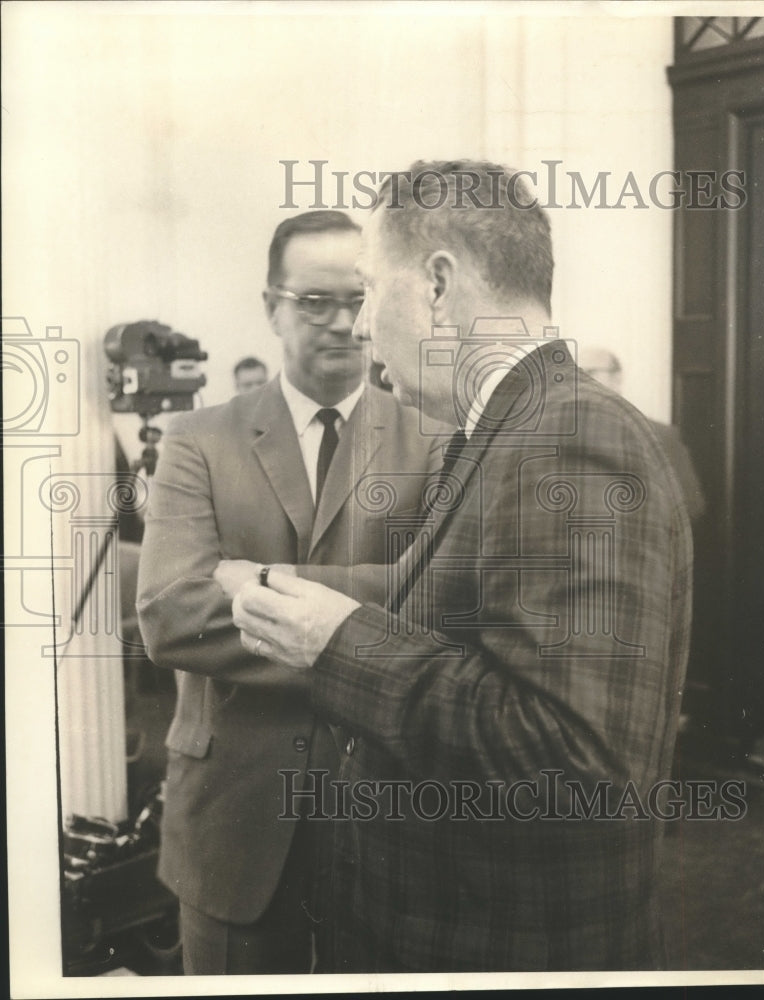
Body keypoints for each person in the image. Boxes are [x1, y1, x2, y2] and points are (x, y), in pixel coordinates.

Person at [230, 161, 694, 972]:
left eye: (372, 291)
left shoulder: (569, 435)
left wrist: (336, 644)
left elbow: (575, 766)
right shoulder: (506, 430)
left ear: (438, 286)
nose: (362, 326)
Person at [136, 209, 446, 974]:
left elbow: (442, 609)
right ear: (270, 304)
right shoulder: (197, 438)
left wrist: (255, 579)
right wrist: (374, 601)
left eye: (358, 297)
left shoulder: (434, 437)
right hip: (232, 818)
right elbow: (171, 615)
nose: (343, 324)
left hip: (384, 810)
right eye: (314, 302)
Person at [577, 345, 705, 522]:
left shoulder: (660, 436)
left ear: (617, 378)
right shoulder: (559, 439)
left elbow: (691, 505)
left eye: (590, 372)